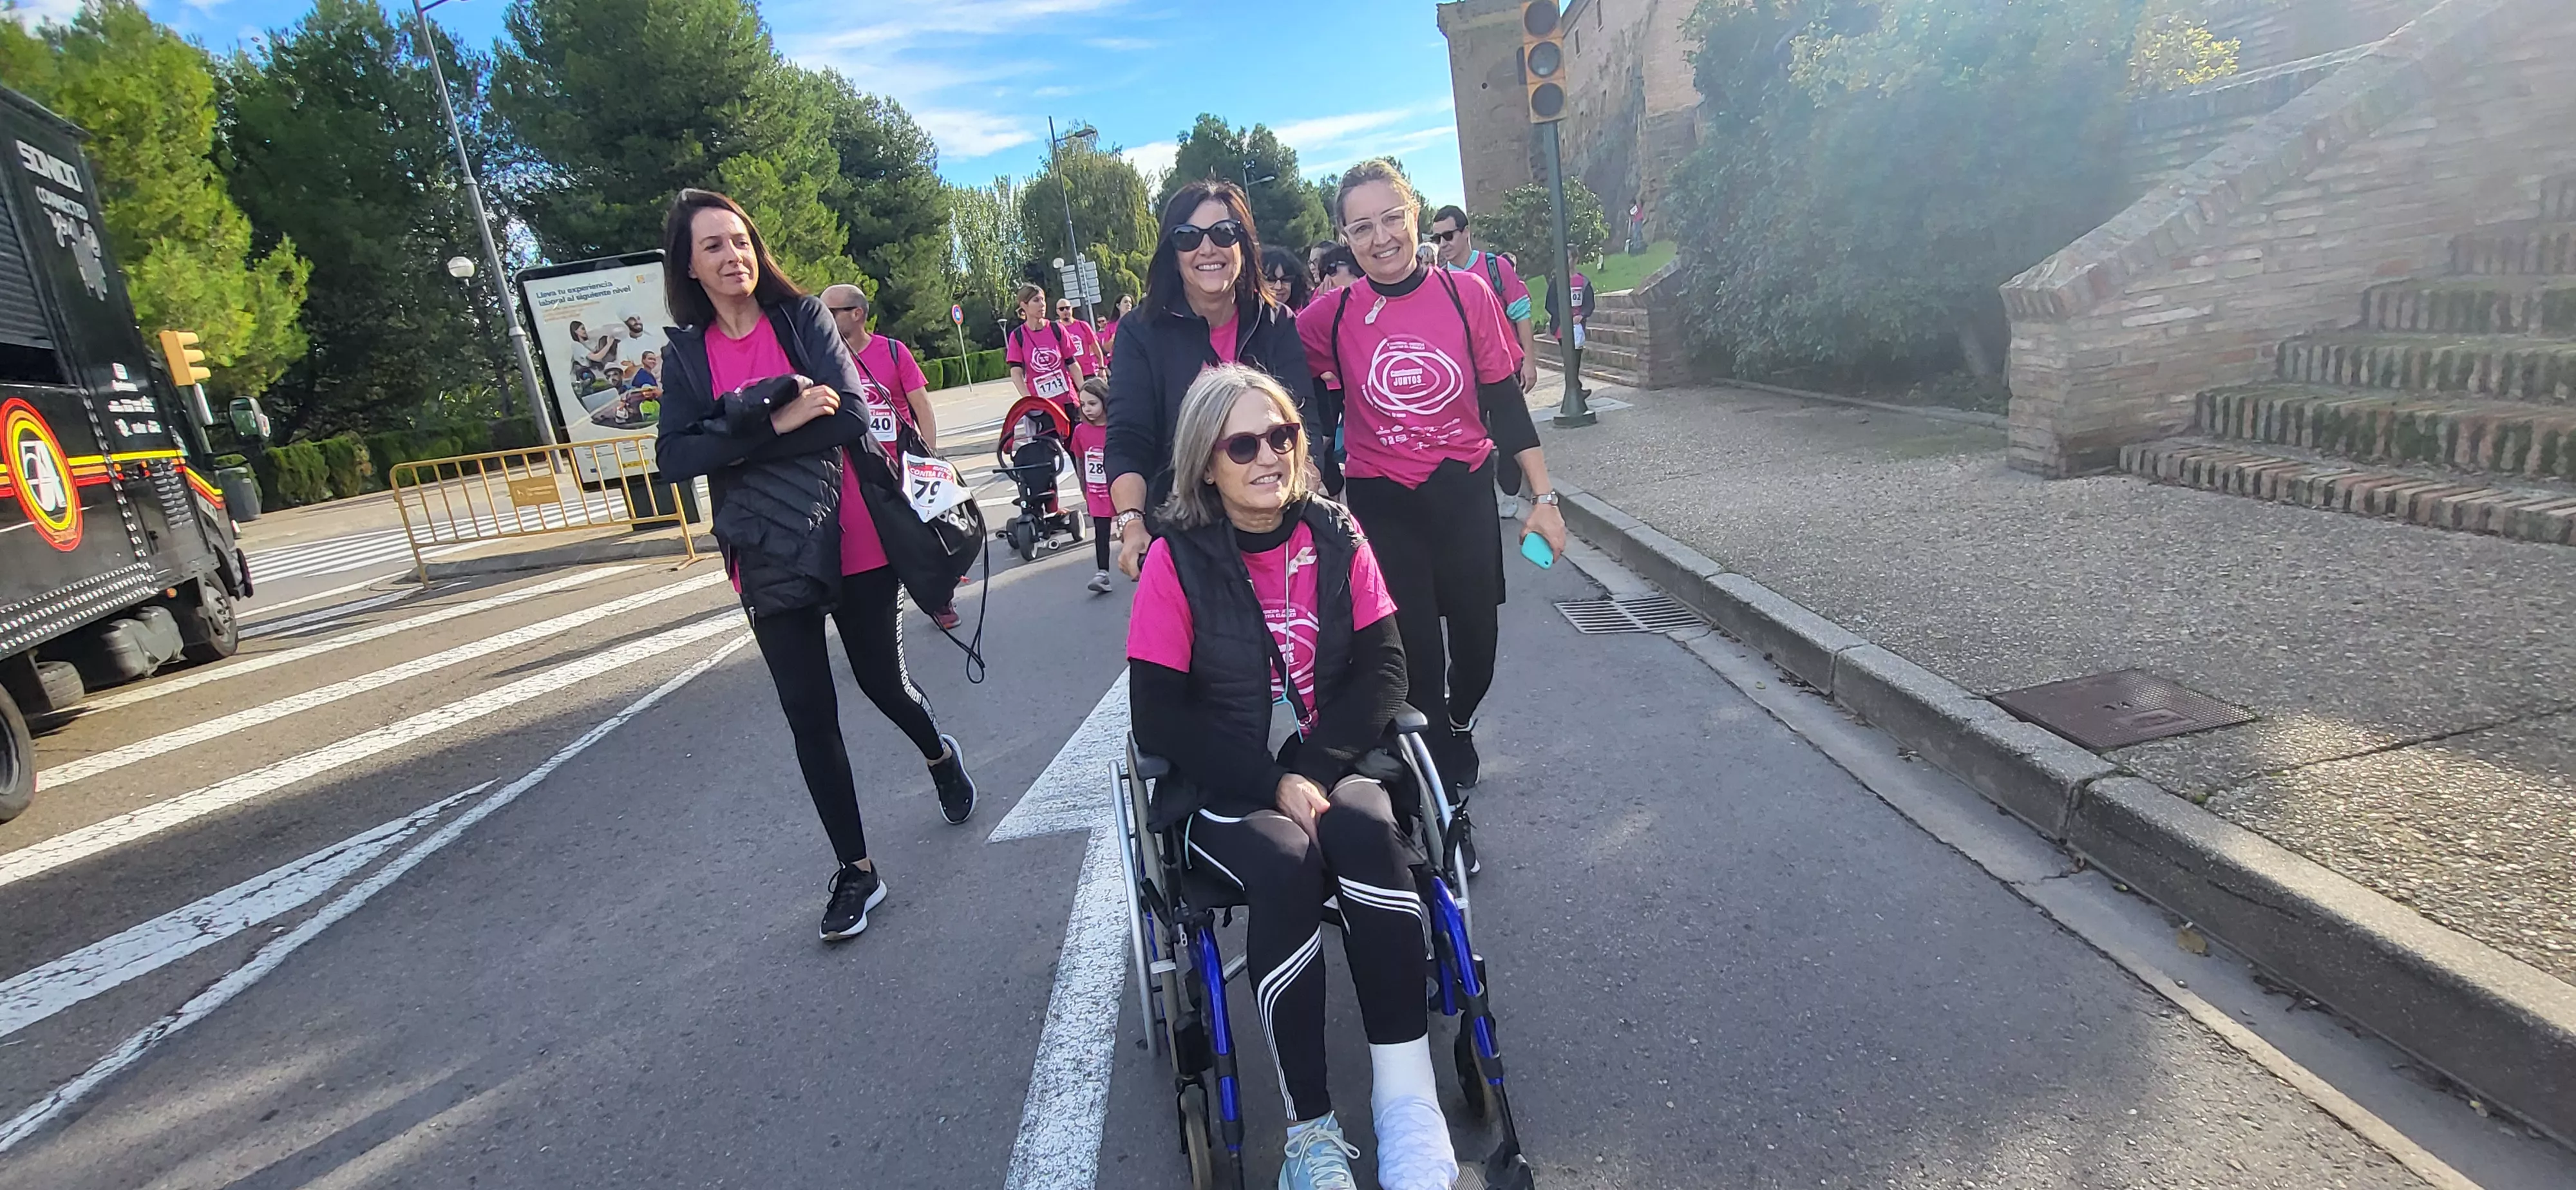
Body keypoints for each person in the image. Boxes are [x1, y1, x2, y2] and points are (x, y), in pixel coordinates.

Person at [1128, 364, 1459, 1190]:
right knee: (1282, 861)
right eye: (1243, 444)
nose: (1269, 456)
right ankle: (1310, 1134)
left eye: (1282, 436)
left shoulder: (1337, 531)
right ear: (1207, 462)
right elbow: (1159, 719)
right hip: (1227, 783)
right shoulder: (1176, 562)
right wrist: (1273, 784)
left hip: (1335, 758)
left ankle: (1406, 1105)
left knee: (1364, 831)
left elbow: (1386, 669)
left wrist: (1311, 769)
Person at [652, 188, 979, 943]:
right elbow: (674, 457)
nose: (732, 256)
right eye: (712, 246)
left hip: (857, 539)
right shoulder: (688, 357)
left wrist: (737, 432)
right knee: (810, 715)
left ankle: (938, 753)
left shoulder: (801, 321)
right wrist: (783, 417)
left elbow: (856, 417)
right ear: (689, 265)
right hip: (765, 554)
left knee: (882, 683)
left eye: (739, 240)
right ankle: (857, 871)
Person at [1299, 160, 1568, 790]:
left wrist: (1544, 497)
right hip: (1382, 502)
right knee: (1417, 657)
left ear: (1414, 212)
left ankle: (1460, 723)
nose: (1381, 237)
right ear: (1343, 234)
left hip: (1463, 491)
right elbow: (1270, 364)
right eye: (1361, 227)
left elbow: (1503, 399)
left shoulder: (1463, 294)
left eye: (1392, 218)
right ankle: (1444, 800)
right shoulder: (1331, 317)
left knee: (1476, 648)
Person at [1105, 178, 1315, 581]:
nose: (1207, 249)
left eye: (1223, 233)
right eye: (1187, 237)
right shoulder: (1140, 331)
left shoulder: (1276, 323)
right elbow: (1128, 439)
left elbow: (1305, 429)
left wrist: (1310, 503)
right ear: (1173, 251)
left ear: (1243, 243)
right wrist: (1132, 525)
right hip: (1186, 534)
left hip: (1275, 532)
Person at [1428, 205, 1538, 394]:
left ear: (1466, 232)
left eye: (1448, 236)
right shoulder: (1438, 281)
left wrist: (1529, 362)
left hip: (1506, 372)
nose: (1443, 244)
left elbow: (1522, 315)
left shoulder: (1497, 267)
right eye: (1437, 239)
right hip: (1466, 380)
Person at [822, 282, 940, 451]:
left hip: (899, 464)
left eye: (830, 312)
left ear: (857, 313)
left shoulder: (894, 351)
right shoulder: (822, 359)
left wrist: (929, 456)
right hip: (850, 470)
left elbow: (922, 408)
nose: (823, 319)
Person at [1006, 283, 1086, 418]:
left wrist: (1084, 393)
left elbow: (1072, 364)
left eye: (1043, 299)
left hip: (1068, 401)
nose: (1042, 304)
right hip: (1042, 407)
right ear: (1024, 305)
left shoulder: (1057, 329)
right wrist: (1029, 401)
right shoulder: (1017, 336)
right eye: (1036, 300)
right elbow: (1016, 373)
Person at [1070, 377, 1114, 592]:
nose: (1087, 409)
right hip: (1096, 490)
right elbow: (1080, 460)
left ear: (1105, 402)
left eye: (1093, 403)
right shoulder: (1080, 432)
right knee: (1101, 530)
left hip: (1119, 487)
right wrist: (1084, 488)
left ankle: (1143, 563)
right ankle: (1102, 572)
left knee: (1131, 526)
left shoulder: (1116, 427)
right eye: (1083, 404)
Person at [1056, 296, 1106, 377]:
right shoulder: (1056, 330)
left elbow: (1096, 348)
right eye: (1062, 309)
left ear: (1072, 309)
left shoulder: (1083, 325)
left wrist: (1102, 368)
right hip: (1070, 376)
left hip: (1088, 372)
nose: (1065, 311)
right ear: (1057, 312)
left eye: (1067, 308)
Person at [1261, 243, 1313, 312]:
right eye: (1271, 279)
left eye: (1285, 279)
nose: (1278, 287)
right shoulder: (1247, 317)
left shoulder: (1304, 313)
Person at [1099, 292, 1135, 366]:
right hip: (1119, 361)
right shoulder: (1111, 325)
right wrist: (1114, 338)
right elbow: (1106, 349)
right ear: (1118, 306)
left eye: (1130, 303)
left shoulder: (1137, 321)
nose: (1128, 304)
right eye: (1125, 302)